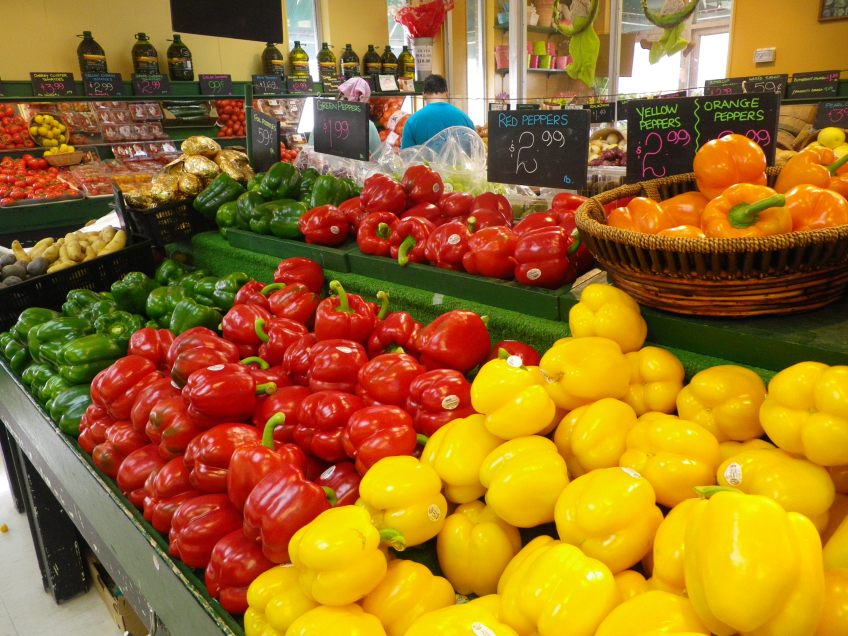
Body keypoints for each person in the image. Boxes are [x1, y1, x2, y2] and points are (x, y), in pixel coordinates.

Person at [310, 76, 382, 158]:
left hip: (327, 167)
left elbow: (310, 152)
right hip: (345, 167)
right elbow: (378, 158)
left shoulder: (322, 120)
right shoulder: (368, 126)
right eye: (345, 99)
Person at [401, 74, 475, 149]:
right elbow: (475, 151)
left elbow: (406, 154)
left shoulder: (412, 121)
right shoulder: (465, 119)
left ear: (423, 95)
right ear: (447, 93)